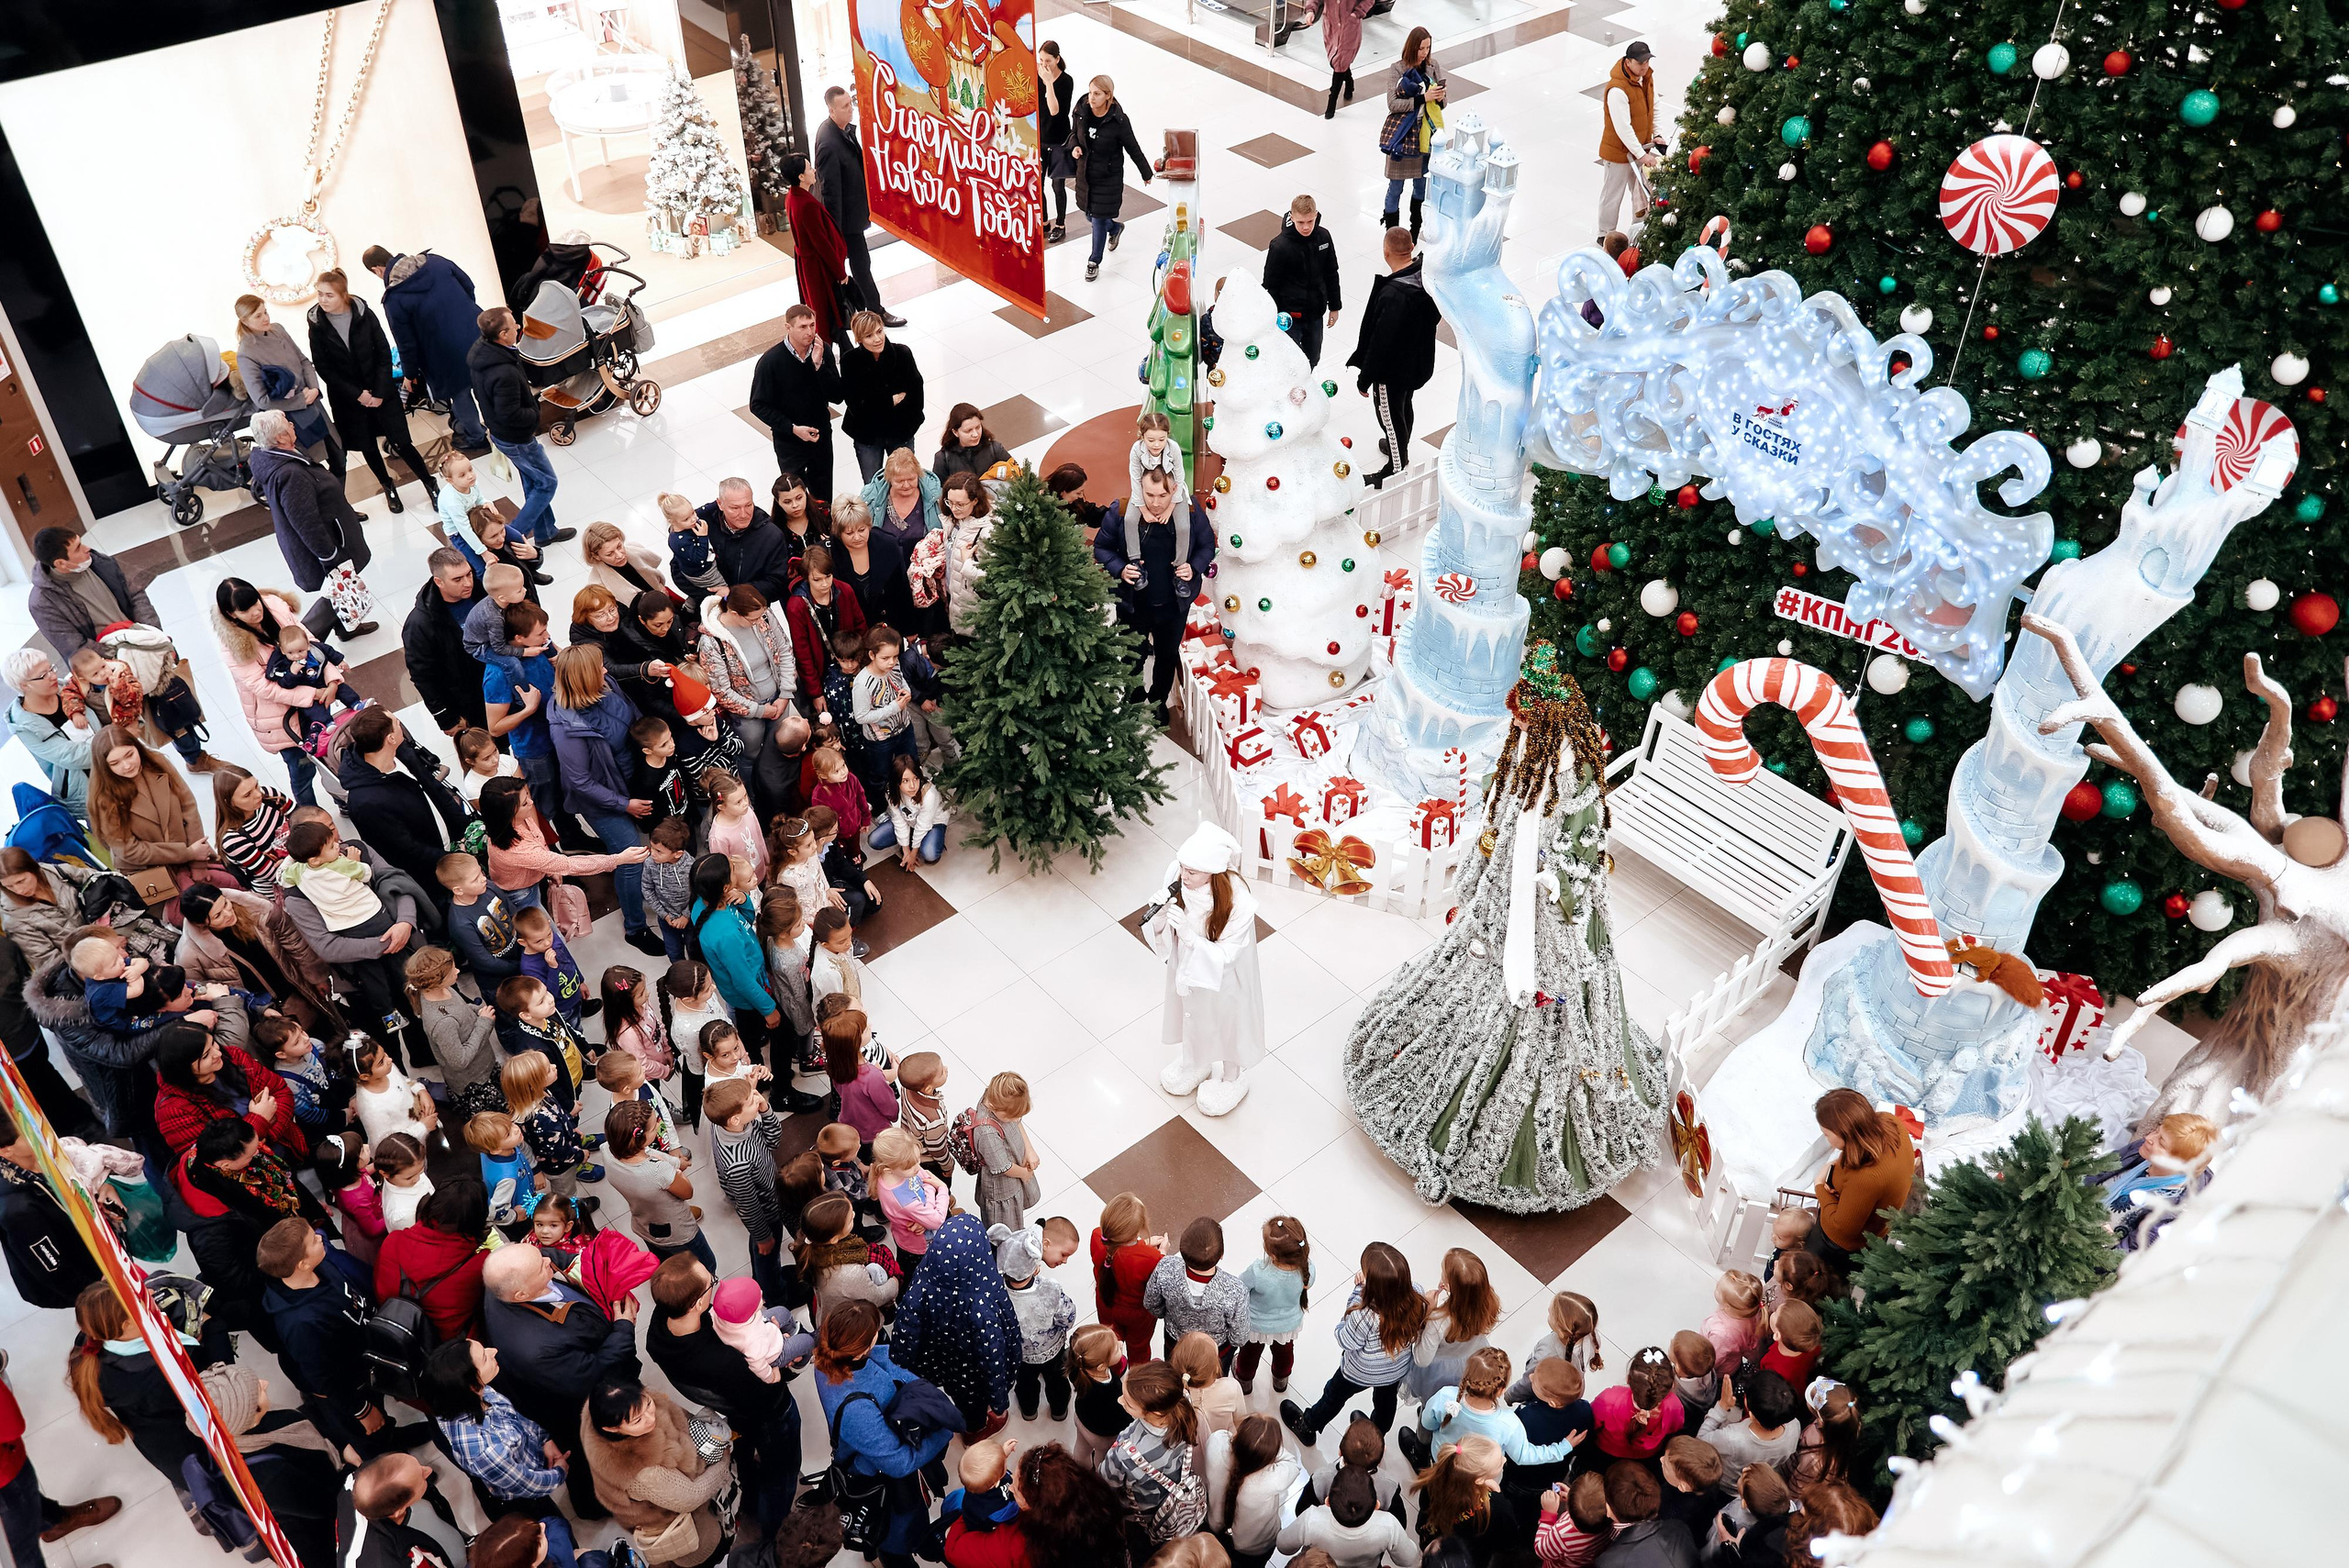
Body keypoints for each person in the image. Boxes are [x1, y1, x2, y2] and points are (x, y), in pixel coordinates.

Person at [644, 1254, 806, 1537]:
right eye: (712, 1284)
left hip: (734, 1409)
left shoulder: (659, 1327)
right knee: (782, 1472)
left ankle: (749, 1485)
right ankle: (774, 1528)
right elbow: (767, 1392)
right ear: (697, 1304)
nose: (717, 1287)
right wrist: (781, 1361)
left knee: (745, 1451)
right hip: (769, 1414)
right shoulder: (722, 1361)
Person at [481, 1243, 641, 1518]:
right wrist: (623, 1328)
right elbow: (594, 1373)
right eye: (541, 1265)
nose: (548, 1260)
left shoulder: (507, 1281)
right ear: (521, 1294)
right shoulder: (536, 1350)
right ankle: (592, 1508)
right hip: (570, 1406)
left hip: (558, 1377)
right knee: (584, 1457)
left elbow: (551, 1258)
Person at [69, 1281, 236, 1540]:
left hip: (155, 1436)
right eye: (140, 1298)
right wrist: (213, 1326)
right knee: (217, 1487)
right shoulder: (163, 1372)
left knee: (186, 1478)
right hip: (191, 1440)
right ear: (125, 1325)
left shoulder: (89, 1344)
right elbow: (221, 1382)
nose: (149, 1294)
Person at [812, 1300, 958, 1568]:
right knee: (895, 1535)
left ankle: (877, 1548)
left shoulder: (827, 1360)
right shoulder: (857, 1409)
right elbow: (898, 1462)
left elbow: (884, 1362)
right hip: (878, 1480)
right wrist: (942, 1433)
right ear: (860, 1350)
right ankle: (892, 1555)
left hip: (861, 1453)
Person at [545, 645, 661, 953]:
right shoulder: (567, 730)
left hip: (631, 780)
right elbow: (580, 781)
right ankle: (635, 928)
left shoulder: (607, 686)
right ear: (584, 680)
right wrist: (625, 805)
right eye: (599, 669)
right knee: (630, 857)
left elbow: (634, 718)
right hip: (603, 801)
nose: (606, 672)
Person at [1143, 822, 1264, 1116]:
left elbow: (1227, 957)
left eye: (1192, 872)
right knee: (1192, 1012)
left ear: (1212, 872)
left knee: (1225, 1021)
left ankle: (1232, 1077)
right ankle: (1195, 1061)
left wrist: (1190, 938)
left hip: (1226, 978)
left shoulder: (1239, 904)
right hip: (1188, 966)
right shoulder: (1178, 874)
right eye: (1183, 867)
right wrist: (1158, 913)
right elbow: (1160, 931)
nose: (1183, 875)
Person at [309, 268, 437, 512]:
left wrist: (378, 393)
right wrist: (358, 395)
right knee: (367, 446)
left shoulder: (363, 313)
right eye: (320, 294)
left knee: (401, 442)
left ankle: (430, 483)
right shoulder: (316, 323)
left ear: (343, 294)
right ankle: (388, 487)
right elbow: (324, 367)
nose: (322, 300)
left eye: (329, 295)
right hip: (349, 399)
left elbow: (382, 352)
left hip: (381, 391)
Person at [250, 409, 381, 639]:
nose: (292, 425)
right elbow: (305, 521)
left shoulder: (280, 456)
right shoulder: (291, 474)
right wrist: (329, 555)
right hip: (328, 544)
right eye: (287, 424)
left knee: (340, 586)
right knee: (334, 591)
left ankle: (346, 626)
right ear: (279, 438)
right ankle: (303, 644)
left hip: (330, 537)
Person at [1094, 469, 1214, 719]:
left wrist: (1193, 568)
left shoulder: (1189, 513)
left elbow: (1206, 545)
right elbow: (1102, 547)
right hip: (1133, 605)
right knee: (1131, 657)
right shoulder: (1121, 512)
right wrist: (1120, 568)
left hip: (1173, 606)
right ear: (1139, 488)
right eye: (1149, 495)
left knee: (1166, 657)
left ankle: (1158, 700)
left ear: (1174, 490)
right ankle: (1134, 697)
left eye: (1163, 495)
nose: (1156, 503)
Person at [1282, 1241, 1426, 1445]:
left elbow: (1346, 1341)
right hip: (1394, 1371)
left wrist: (1359, 1290)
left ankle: (1308, 1425)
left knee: (1333, 1396)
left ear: (1373, 1288)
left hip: (1359, 1372)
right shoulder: (1418, 1296)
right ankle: (1376, 1437)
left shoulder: (1363, 1314)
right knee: (1386, 1404)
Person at [88, 726, 235, 917]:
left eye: (129, 755)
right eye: (115, 763)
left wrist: (198, 861)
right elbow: (129, 851)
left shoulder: (157, 763)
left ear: (137, 748)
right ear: (104, 766)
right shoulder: (104, 799)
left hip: (191, 855)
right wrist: (186, 853)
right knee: (194, 918)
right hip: (153, 874)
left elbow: (188, 807)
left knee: (230, 895)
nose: (126, 765)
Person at [368, 243, 492, 451]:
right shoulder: (436, 261)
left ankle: (476, 437)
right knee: (486, 384)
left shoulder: (394, 298)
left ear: (377, 270)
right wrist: (465, 313)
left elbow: (406, 343)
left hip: (442, 352)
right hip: (475, 333)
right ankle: (498, 428)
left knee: (460, 394)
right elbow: (468, 285)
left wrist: (409, 373)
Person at [468, 307, 572, 548]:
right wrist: (534, 414)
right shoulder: (502, 371)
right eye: (514, 324)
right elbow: (510, 413)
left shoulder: (485, 353)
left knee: (533, 482)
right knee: (547, 483)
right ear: (503, 334)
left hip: (503, 434)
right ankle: (511, 537)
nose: (518, 327)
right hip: (517, 438)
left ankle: (545, 531)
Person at [1349, 226, 1442, 489]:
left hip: (1391, 371)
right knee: (1404, 405)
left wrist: (1365, 378)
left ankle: (1395, 467)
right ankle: (1399, 448)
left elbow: (1380, 341)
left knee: (1389, 414)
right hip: (1418, 363)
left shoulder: (1393, 294)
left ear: (1385, 251)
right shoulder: (1426, 276)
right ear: (1412, 248)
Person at [340, 708, 470, 896]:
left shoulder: (402, 752)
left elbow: (435, 790)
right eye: (396, 722)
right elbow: (406, 850)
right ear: (390, 738)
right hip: (433, 875)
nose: (401, 725)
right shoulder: (366, 803)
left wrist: (464, 827)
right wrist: (452, 859)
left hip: (455, 845)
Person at [815, 86, 900, 324]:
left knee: (861, 265)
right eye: (844, 107)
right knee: (858, 266)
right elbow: (830, 191)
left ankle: (870, 312)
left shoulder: (842, 131)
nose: (850, 109)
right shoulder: (829, 143)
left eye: (850, 104)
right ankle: (868, 313)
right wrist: (835, 231)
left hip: (851, 218)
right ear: (831, 110)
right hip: (845, 224)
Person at [25, 527, 165, 668]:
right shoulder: (43, 603)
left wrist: (152, 635)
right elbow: (76, 647)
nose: (87, 548)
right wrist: (126, 655)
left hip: (147, 641)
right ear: (61, 563)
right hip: (110, 667)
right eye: (78, 548)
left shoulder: (101, 563)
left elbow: (136, 595)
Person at [235, 295, 344, 477]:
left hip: (312, 403)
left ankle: (338, 502)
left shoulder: (278, 330)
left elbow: (304, 361)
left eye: (265, 312)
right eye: (258, 316)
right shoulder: (246, 353)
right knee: (315, 467)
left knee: (339, 456)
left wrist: (314, 388)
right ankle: (332, 503)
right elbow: (262, 400)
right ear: (244, 321)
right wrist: (301, 400)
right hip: (292, 416)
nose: (266, 318)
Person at [1809, 1087, 1914, 1269]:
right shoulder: (1889, 1121)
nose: (1826, 1139)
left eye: (1826, 1134)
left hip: (1842, 1246)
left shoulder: (1867, 1177)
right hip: (1877, 1224)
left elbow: (1842, 1231)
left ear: (1845, 1132)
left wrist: (1819, 1186)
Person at [749, 303, 841, 500]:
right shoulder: (771, 361)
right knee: (794, 496)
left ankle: (824, 529)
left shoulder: (822, 350)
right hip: (789, 441)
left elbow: (837, 395)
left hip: (820, 436)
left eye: (813, 325)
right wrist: (792, 428)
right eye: (803, 327)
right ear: (788, 328)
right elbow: (758, 405)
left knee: (823, 495)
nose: (810, 331)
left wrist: (817, 366)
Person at [1070, 73, 1153, 281]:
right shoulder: (1081, 111)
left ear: (1108, 95)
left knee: (1097, 221)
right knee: (1089, 215)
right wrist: (1075, 147)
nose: (1092, 97)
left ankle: (1093, 261)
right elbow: (1072, 135)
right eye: (1090, 92)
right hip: (1086, 175)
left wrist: (1146, 172)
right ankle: (1115, 227)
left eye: (1097, 94)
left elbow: (1133, 147)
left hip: (1108, 177)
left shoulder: (1118, 121)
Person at [401, 550, 492, 738]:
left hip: (500, 683)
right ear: (439, 582)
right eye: (457, 579)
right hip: (469, 702)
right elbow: (423, 676)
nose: (468, 583)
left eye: (469, 574)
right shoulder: (420, 624)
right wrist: (445, 717)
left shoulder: (482, 592)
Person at [3, 648, 95, 819]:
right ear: (24, 685)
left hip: (123, 765)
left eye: (51, 668)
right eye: (43, 675)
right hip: (91, 791)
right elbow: (72, 756)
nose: (52, 676)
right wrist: (118, 741)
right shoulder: (25, 726)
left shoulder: (67, 689)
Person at [841, 312, 925, 484]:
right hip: (868, 435)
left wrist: (874, 403)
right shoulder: (850, 361)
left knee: (906, 481)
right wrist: (890, 401)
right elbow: (856, 405)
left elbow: (916, 396)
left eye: (879, 331)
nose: (877, 339)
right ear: (859, 339)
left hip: (900, 432)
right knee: (873, 485)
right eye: (869, 335)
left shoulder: (902, 354)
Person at [1208, 1412, 1298, 1568]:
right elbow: (1292, 1464)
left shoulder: (1216, 1445)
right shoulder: (1271, 1479)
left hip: (1212, 1529)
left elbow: (1226, 1435)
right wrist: (1267, 1446)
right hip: (1254, 1548)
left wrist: (1248, 1440)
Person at [783, 150, 854, 350]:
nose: (814, 170)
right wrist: (840, 273)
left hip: (808, 264)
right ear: (801, 177)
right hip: (818, 268)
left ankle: (841, 349)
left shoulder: (792, 198)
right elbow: (821, 242)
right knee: (829, 312)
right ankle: (833, 353)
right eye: (809, 168)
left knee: (827, 314)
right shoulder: (806, 205)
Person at [337, 1453, 458, 1568]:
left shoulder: (352, 1483)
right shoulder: (402, 1560)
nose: (428, 1470)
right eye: (422, 1477)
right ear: (398, 1511)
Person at [1380, 28, 1447, 235]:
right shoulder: (1397, 69)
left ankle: (1415, 229)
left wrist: (1439, 97)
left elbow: (1444, 103)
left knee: (1421, 185)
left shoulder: (1433, 66)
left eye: (1428, 48)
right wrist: (1422, 98)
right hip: (1403, 134)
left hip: (1425, 135)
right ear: (1412, 47)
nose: (1424, 53)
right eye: (1421, 48)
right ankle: (1392, 233)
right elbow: (1393, 104)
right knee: (1396, 186)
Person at [1263, 195, 1342, 366]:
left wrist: (1334, 306)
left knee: (1313, 358)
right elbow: (1271, 284)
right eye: (1300, 222)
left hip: (1315, 313)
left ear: (1316, 216)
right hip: (1288, 316)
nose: (1306, 227)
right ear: (1292, 217)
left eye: (1310, 221)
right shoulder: (1280, 246)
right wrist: (1274, 318)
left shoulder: (1324, 237)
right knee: (1290, 362)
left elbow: (1331, 273)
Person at [1596, 42, 1662, 241]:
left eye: (1647, 61)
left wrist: (1657, 134)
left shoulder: (1647, 78)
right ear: (1628, 61)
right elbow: (1623, 127)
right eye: (1640, 62)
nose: (1644, 66)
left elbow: (1655, 107)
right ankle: (1605, 233)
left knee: (1642, 192)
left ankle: (1639, 228)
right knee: (1612, 194)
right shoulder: (1617, 90)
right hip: (1619, 152)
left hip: (1641, 148)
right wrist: (1642, 155)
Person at [700, 478, 797, 604]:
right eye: (735, 508)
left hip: (750, 606)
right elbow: (679, 569)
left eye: (748, 505)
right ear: (720, 504)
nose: (743, 514)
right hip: (707, 603)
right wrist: (709, 594)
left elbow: (777, 583)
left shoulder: (771, 535)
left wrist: (734, 593)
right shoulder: (703, 526)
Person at [863, 446, 941, 557]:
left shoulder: (936, 496)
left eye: (911, 479)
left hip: (925, 563)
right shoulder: (871, 497)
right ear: (889, 479)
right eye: (899, 481)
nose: (906, 485)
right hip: (885, 561)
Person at [581, 520, 675, 606]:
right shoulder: (598, 583)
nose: (619, 555)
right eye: (610, 554)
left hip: (664, 597)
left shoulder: (636, 550)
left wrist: (660, 588)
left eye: (619, 546)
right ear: (596, 556)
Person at [1037, 42, 1077, 241]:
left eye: (1048, 61)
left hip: (1059, 140)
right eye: (1041, 60)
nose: (1044, 65)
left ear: (1057, 59)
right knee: (1038, 184)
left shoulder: (1066, 81)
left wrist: (1048, 83)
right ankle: (1044, 222)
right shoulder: (1037, 75)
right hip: (1041, 139)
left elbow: (1054, 110)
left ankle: (1060, 224)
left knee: (1058, 186)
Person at [1310, 0, 1375, 117]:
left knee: (1339, 61)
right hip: (1331, 27)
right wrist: (1311, 11)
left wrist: (1357, 14)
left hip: (1349, 27)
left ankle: (1332, 103)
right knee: (1338, 61)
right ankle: (1349, 81)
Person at [933, 404, 1011, 484]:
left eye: (978, 427)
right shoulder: (943, 459)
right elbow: (939, 491)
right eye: (968, 431)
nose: (975, 434)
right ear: (955, 432)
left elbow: (1015, 474)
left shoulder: (995, 449)